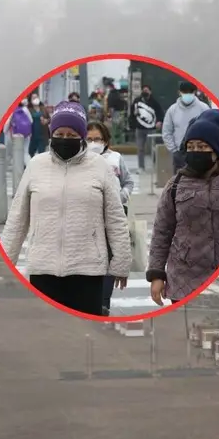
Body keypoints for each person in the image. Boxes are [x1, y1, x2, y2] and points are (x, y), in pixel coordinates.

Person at [0, 101, 132, 317]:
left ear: (81, 136)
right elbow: (17, 219)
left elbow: (116, 218)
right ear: (51, 134)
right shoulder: (36, 165)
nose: (65, 139)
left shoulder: (99, 166)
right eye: (60, 133)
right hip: (43, 269)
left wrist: (121, 263)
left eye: (72, 135)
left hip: (87, 270)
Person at [147, 116, 219, 305]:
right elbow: (161, 232)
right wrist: (157, 275)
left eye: (201, 147)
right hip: (184, 281)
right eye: (191, 147)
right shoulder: (176, 185)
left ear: (216, 150)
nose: (196, 152)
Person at [85, 121, 134, 316]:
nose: (94, 143)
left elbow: (128, 181)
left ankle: (104, 303)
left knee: (110, 259)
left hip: (114, 215)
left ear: (105, 140)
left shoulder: (116, 158)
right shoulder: (80, 160)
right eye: (89, 139)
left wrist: (120, 196)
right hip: (89, 215)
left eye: (97, 139)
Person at [161, 81, 210, 173]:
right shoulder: (172, 110)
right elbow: (167, 132)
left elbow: (210, 131)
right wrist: (174, 151)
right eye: (184, 92)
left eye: (190, 92)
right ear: (179, 92)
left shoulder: (204, 108)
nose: (187, 94)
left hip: (200, 153)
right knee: (180, 184)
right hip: (180, 154)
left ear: (195, 92)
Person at [129, 84, 163, 173]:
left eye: (147, 90)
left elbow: (160, 113)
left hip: (151, 129)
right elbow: (132, 113)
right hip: (139, 129)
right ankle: (141, 167)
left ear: (150, 92)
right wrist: (133, 122)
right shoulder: (136, 101)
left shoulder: (154, 102)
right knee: (140, 148)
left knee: (153, 148)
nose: (145, 92)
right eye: (143, 90)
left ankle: (155, 166)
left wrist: (159, 121)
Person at [27, 93, 50, 158]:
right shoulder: (28, 109)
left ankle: (40, 166)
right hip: (32, 135)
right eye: (33, 98)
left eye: (36, 97)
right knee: (31, 152)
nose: (35, 99)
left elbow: (49, 119)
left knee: (41, 153)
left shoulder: (43, 108)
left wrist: (46, 121)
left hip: (42, 134)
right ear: (30, 100)